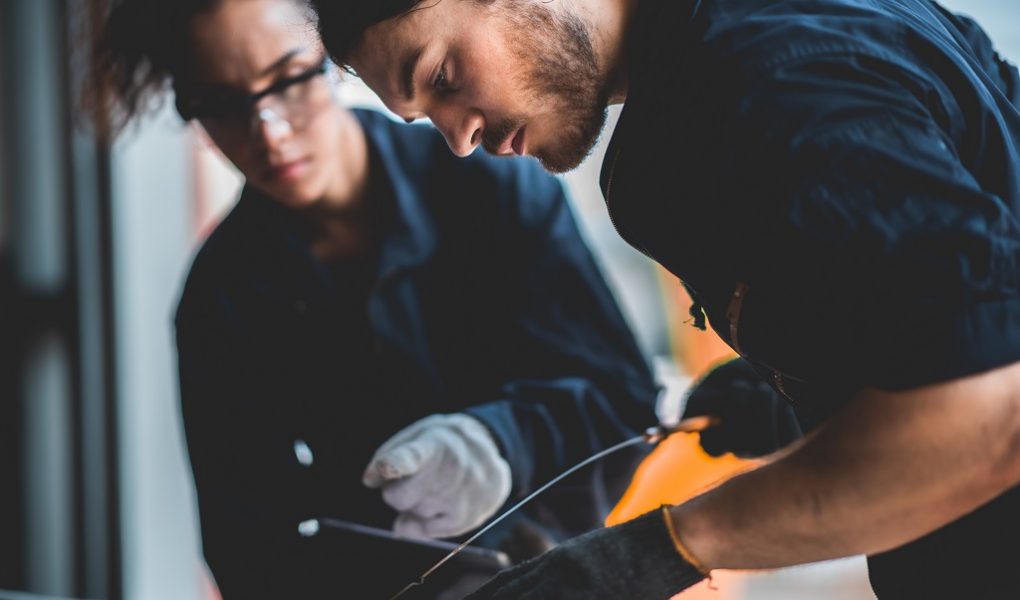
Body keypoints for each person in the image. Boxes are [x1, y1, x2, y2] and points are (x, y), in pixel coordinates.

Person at [310, 0, 1020, 597]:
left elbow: (992, 410)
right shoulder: (760, 46)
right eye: (424, 116)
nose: (458, 138)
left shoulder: (768, 86)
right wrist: (806, 386)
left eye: (440, 75)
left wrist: (655, 551)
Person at [86, 0, 662, 597]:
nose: (270, 132)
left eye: (286, 80)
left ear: (333, 58)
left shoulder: (488, 184)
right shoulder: (223, 300)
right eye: (224, 106)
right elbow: (247, 549)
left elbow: (622, 403)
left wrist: (499, 443)